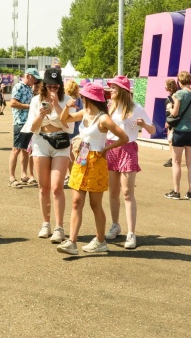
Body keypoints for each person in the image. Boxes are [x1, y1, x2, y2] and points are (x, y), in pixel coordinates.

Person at [56, 82, 128, 255]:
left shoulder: (103, 118)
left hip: (96, 161)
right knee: (76, 202)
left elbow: (123, 137)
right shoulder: (84, 113)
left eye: (83, 96)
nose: (81, 98)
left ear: (89, 98)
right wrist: (66, 107)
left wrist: (105, 149)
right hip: (81, 160)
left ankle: (101, 241)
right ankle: (72, 242)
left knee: (95, 205)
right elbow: (64, 120)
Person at [104, 75, 155, 250]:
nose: (111, 90)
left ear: (123, 91)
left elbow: (153, 128)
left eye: (114, 88)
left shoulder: (136, 108)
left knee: (127, 192)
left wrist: (144, 125)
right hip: (111, 149)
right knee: (113, 191)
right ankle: (115, 225)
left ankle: (131, 233)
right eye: (111, 87)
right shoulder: (111, 108)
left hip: (127, 149)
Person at [26, 68, 72, 243]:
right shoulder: (36, 101)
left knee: (57, 187)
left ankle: (59, 227)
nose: (53, 89)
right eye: (49, 86)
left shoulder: (66, 100)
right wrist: (41, 115)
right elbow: (32, 127)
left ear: (60, 86)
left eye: (56, 86)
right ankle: (46, 224)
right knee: (43, 186)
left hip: (60, 142)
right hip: (41, 142)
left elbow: (68, 126)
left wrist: (57, 105)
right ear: (44, 86)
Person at [165, 71, 191, 201]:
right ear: (190, 81)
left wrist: (170, 107)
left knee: (176, 162)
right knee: (190, 163)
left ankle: (176, 191)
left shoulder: (179, 94)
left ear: (179, 81)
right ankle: (190, 192)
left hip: (180, 131)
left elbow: (174, 113)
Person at [8, 69, 40, 187]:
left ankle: (24, 174)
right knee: (16, 149)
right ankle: (11, 177)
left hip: (29, 122)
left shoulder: (29, 88)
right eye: (34, 78)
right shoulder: (19, 87)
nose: (35, 80)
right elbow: (13, 103)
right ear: (27, 76)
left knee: (26, 150)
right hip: (20, 122)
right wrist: (30, 107)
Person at [162, 78, 178, 167]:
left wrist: (169, 121)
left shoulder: (175, 96)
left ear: (170, 86)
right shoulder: (172, 95)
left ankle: (172, 159)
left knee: (171, 140)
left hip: (172, 121)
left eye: (166, 85)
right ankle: (171, 158)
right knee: (170, 141)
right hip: (170, 120)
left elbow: (173, 110)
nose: (165, 87)